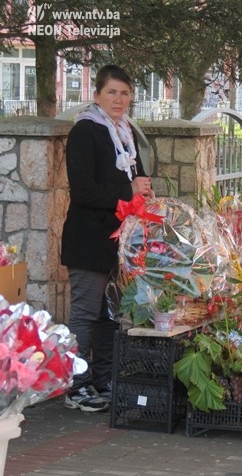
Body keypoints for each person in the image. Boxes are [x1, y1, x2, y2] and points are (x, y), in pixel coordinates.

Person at [61, 65, 153, 412]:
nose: (119, 99)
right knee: (85, 314)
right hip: (89, 240)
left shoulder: (125, 132)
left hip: (118, 242)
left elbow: (136, 179)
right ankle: (75, 385)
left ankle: (103, 379)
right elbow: (83, 190)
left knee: (110, 315)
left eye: (125, 93)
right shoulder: (86, 131)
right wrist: (128, 190)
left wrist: (144, 193)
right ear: (97, 95)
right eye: (112, 92)